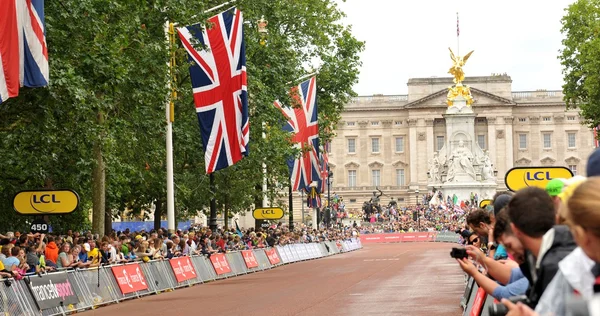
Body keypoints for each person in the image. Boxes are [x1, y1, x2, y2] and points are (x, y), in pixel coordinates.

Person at [498, 187, 576, 309]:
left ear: (514, 229)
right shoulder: (560, 245)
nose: (510, 251)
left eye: (508, 245)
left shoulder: (553, 265)